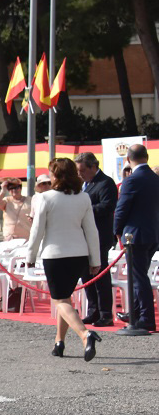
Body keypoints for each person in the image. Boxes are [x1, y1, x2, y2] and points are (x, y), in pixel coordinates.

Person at [27, 158, 103, 359]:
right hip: (79, 255)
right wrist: (95, 260)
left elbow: (37, 230)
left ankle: (85, 334)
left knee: (59, 300)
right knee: (65, 298)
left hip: (55, 255)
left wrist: (30, 255)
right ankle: (59, 342)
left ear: (56, 176)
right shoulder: (84, 197)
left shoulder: (45, 198)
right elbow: (91, 231)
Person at [112, 143, 159, 333]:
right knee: (141, 275)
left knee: (139, 278)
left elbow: (121, 209)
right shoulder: (156, 179)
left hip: (135, 235)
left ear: (128, 159)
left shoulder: (132, 180)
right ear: (146, 157)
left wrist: (116, 230)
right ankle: (137, 313)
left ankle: (145, 318)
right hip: (152, 233)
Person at [75, 152, 118, 328]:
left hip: (100, 236)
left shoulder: (105, 183)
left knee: (100, 275)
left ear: (94, 167)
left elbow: (107, 206)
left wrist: (84, 209)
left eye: (83, 170)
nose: (80, 174)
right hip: (83, 236)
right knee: (86, 276)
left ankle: (106, 313)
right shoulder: (84, 184)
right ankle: (93, 310)